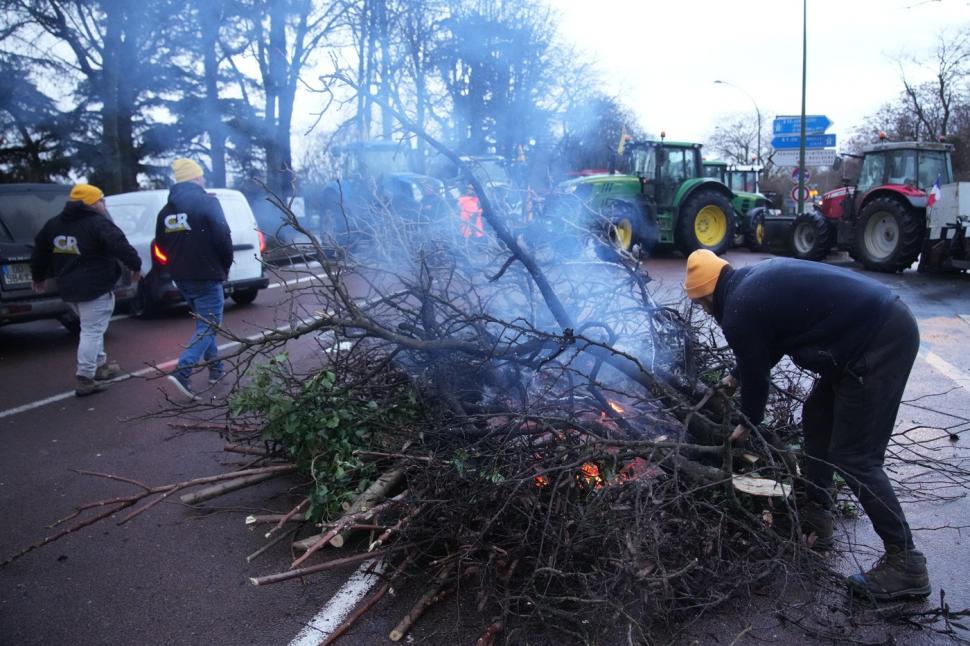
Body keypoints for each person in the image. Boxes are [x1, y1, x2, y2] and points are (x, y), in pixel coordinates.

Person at [682, 250, 930, 601]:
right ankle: (817, 516)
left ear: (706, 297)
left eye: (703, 305)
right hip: (872, 331)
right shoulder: (748, 286)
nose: (706, 312)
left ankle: (906, 561)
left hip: (879, 341)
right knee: (816, 417)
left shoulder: (736, 310)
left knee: (856, 458)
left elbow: (758, 376)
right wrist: (733, 378)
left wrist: (746, 424)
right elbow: (769, 343)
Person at [30, 184, 142, 396]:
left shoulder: (54, 225)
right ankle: (85, 377)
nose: (104, 204)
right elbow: (121, 245)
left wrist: (38, 276)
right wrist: (136, 266)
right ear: (91, 202)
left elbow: (40, 252)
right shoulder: (97, 224)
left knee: (92, 327)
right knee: (91, 330)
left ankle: (100, 366)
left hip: (69, 288)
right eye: (101, 200)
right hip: (94, 286)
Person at [155, 158, 233, 399]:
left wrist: (176, 265)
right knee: (209, 326)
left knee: (204, 325)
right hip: (207, 274)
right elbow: (223, 236)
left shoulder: (166, 211)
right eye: (201, 176)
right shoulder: (207, 202)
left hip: (182, 277)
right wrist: (225, 265)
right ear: (196, 178)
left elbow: (160, 245)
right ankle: (183, 371)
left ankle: (216, 368)